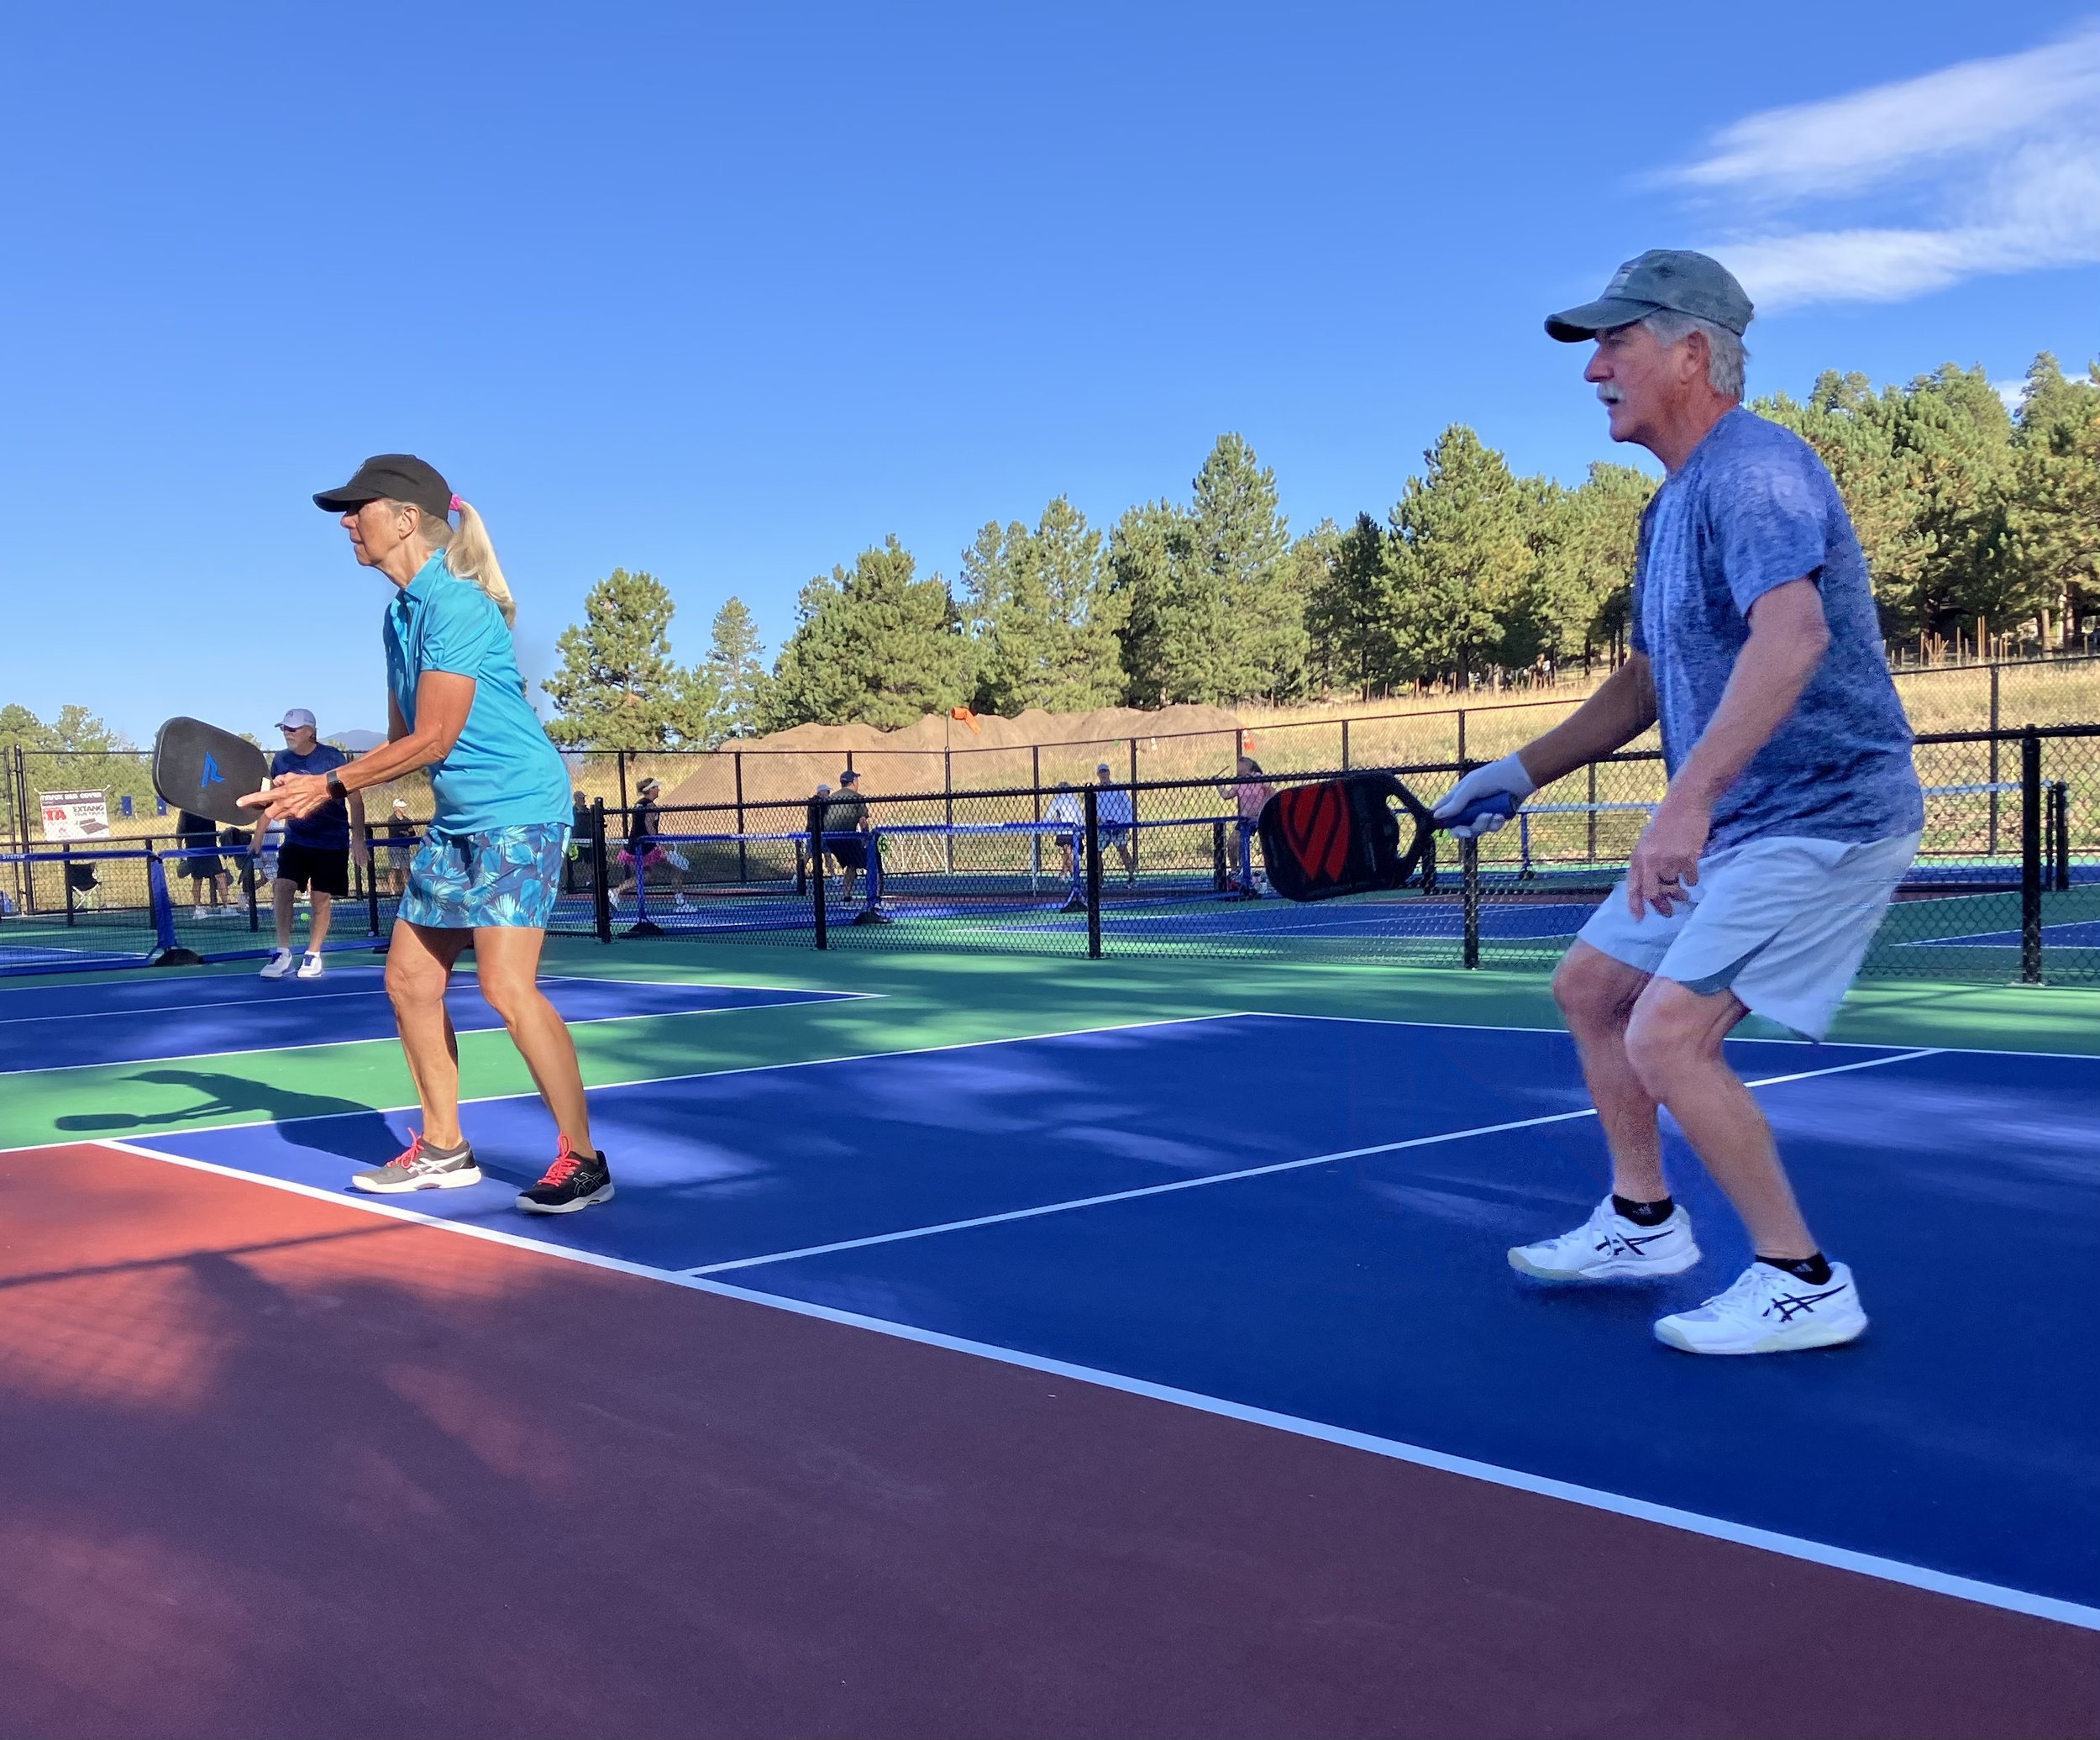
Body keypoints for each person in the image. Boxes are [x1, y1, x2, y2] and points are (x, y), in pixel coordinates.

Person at [1435, 250, 1924, 1356]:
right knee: (1591, 989)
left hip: (1825, 815)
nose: (1593, 369)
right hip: (1744, 820)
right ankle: (1644, 1221)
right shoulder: (1670, 509)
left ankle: (1801, 1279)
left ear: (1693, 353)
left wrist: (1684, 806)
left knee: (1669, 1034)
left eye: (1617, 343)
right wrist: (1518, 771)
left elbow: (1792, 635)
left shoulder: (1757, 471)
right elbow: (1649, 679)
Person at [244, 454, 613, 1215]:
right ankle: (444, 1148)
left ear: (407, 518)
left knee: (506, 985)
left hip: (519, 808)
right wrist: (311, 789)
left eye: (358, 509)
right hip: (457, 820)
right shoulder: (399, 616)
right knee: (410, 979)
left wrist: (328, 782)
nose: (347, 523)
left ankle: (585, 1160)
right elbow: (401, 740)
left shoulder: (459, 605)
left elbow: (437, 736)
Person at [257, 709, 368, 977]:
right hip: (296, 839)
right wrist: (258, 835)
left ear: (310, 731)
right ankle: (283, 953)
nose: (287, 733)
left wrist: (359, 839)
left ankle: (313, 955)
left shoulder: (332, 758)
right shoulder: (281, 760)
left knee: (321, 898)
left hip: (331, 841)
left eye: (293, 729)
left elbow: (355, 799)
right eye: (284, 728)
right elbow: (273, 800)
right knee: (282, 887)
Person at [1216, 755, 1274, 893]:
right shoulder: (1239, 782)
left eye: (1240, 765)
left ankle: (1272, 873)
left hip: (1259, 818)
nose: (1238, 768)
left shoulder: (1258, 778)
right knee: (1232, 843)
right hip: (1245, 819)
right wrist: (1218, 784)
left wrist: (1264, 807)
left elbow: (1271, 792)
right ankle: (1235, 872)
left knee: (1268, 844)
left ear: (1248, 766)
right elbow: (1227, 795)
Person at [822, 769, 871, 902]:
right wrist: (867, 838)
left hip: (830, 838)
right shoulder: (857, 798)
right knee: (871, 862)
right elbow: (863, 822)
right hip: (847, 837)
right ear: (854, 781)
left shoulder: (832, 798)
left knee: (852, 863)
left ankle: (846, 893)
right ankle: (875, 894)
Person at [175, 809, 232, 915]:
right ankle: (198, 909)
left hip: (210, 848)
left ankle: (227, 906)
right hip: (194, 850)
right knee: (198, 879)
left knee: (221, 876)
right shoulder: (186, 811)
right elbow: (179, 832)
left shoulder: (208, 807)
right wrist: (181, 854)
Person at [1095, 761, 1137, 881]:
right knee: (1097, 852)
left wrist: (1126, 824)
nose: (1103, 774)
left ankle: (1132, 876)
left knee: (1123, 850)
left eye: (1105, 772)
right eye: (1101, 772)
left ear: (1109, 773)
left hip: (1118, 825)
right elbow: (1093, 808)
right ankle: (1099, 878)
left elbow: (1127, 806)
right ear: (1098, 775)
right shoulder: (1096, 791)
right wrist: (1096, 818)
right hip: (1102, 826)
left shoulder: (1118, 788)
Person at [381, 798, 417, 898]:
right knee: (394, 868)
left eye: (404, 807)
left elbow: (412, 832)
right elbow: (395, 832)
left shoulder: (406, 820)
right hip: (395, 847)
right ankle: (392, 891)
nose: (403, 809)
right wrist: (405, 832)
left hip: (405, 846)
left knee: (406, 868)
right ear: (396, 808)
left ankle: (407, 890)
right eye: (401, 807)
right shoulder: (391, 819)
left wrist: (405, 832)